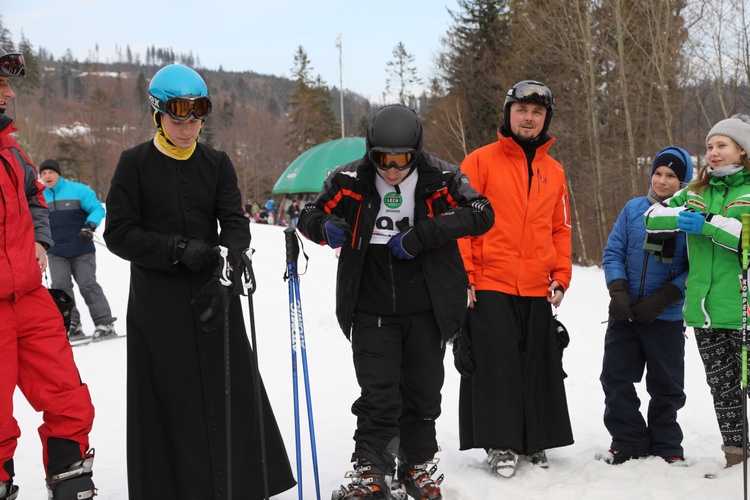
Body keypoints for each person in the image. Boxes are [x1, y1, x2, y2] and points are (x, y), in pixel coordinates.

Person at [103, 63, 295, 499]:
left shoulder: (217, 162)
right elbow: (118, 233)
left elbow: (233, 219)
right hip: (159, 302)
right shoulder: (133, 164)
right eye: (177, 119)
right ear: (157, 114)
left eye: (196, 119)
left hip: (214, 293)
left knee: (229, 389)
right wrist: (175, 249)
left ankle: (241, 485)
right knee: (173, 398)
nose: (188, 129)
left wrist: (236, 250)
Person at [298, 104, 494, 500]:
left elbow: (482, 212)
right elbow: (309, 214)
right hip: (371, 307)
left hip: (427, 306)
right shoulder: (350, 178)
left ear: (416, 152)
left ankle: (417, 465)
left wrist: (425, 234)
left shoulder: (441, 176)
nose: (391, 170)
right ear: (371, 152)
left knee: (423, 393)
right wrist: (326, 227)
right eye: (382, 159)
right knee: (378, 393)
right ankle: (371, 468)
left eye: (401, 160)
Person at [455, 80, 573, 477]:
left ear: (545, 120)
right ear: (508, 113)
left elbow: (560, 228)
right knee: (495, 364)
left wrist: (561, 274)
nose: (529, 117)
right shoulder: (480, 161)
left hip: (538, 282)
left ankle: (531, 439)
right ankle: (500, 443)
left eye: (537, 112)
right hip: (491, 279)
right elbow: (461, 223)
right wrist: (465, 276)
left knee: (537, 363)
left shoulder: (554, 170)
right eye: (522, 110)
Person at [0, 47, 96, 500]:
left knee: (67, 396)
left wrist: (40, 241)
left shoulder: (12, 150)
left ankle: (71, 482)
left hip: (30, 298)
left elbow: (36, 198)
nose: (10, 92)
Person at [644, 115, 750, 469]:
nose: (714, 153)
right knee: (723, 390)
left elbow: (746, 240)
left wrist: (707, 225)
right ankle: (736, 456)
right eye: (709, 147)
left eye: (722, 146)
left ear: (742, 149)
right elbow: (652, 217)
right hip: (704, 312)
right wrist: (680, 219)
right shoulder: (695, 192)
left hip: (743, 309)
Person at [600, 146, 692, 466]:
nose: (662, 181)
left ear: (683, 182)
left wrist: (666, 296)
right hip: (625, 313)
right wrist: (618, 290)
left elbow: (695, 268)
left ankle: (666, 442)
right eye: (658, 173)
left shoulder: (690, 216)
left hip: (664, 316)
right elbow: (613, 253)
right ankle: (628, 439)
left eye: (671, 176)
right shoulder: (632, 209)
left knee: (666, 386)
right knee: (615, 378)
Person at [38, 158, 118, 343]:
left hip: (82, 249)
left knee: (87, 284)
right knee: (60, 287)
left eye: (51, 172)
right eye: (44, 173)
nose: (47, 176)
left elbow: (97, 208)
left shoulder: (78, 190)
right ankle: (72, 324)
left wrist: (89, 227)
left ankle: (104, 323)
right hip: (56, 251)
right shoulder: (39, 197)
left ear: (59, 173)